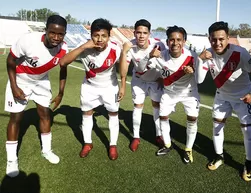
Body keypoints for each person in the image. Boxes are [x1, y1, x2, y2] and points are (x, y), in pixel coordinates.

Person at [197, 21, 251, 181]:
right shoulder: (207, 54)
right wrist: (200, 61)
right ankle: (219, 156)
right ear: (209, 39)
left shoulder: (240, 53)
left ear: (228, 38)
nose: (217, 43)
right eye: (214, 39)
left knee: (247, 130)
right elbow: (199, 80)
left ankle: (248, 163)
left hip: (243, 97)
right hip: (222, 95)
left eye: (221, 39)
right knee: (217, 126)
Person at [5, 15, 68, 178]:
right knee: (16, 118)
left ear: (65, 34)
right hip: (20, 80)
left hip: (41, 81)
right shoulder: (28, 41)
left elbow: (63, 68)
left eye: (60, 34)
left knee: (45, 114)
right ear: (45, 30)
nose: (56, 37)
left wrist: (61, 92)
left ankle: (46, 150)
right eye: (52, 32)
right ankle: (12, 160)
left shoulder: (64, 49)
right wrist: (14, 86)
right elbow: (11, 60)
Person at [60, 18, 126, 160]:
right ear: (91, 35)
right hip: (89, 87)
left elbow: (123, 68)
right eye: (96, 35)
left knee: (113, 115)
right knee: (86, 114)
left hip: (110, 88)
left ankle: (113, 145)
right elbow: (63, 62)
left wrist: (123, 86)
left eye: (103, 36)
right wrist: (84, 47)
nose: (100, 39)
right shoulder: (83, 47)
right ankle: (88, 143)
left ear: (109, 36)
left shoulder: (115, 48)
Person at [147, 25, 201, 164]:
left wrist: (194, 70)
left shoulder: (192, 56)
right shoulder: (161, 55)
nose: (175, 43)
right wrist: (149, 56)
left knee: (192, 118)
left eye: (179, 40)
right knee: (163, 116)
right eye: (172, 39)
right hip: (169, 93)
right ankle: (168, 144)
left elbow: (201, 77)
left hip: (189, 93)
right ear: (167, 42)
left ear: (184, 41)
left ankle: (188, 149)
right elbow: (145, 68)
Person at [121, 19, 166, 152]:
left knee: (157, 106)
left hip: (155, 80)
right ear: (134, 33)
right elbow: (125, 70)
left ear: (149, 34)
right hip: (139, 80)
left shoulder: (159, 44)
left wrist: (163, 78)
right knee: (138, 106)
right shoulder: (129, 46)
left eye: (144, 33)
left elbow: (167, 62)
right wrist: (124, 52)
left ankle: (159, 135)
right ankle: (135, 137)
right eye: (138, 32)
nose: (141, 36)